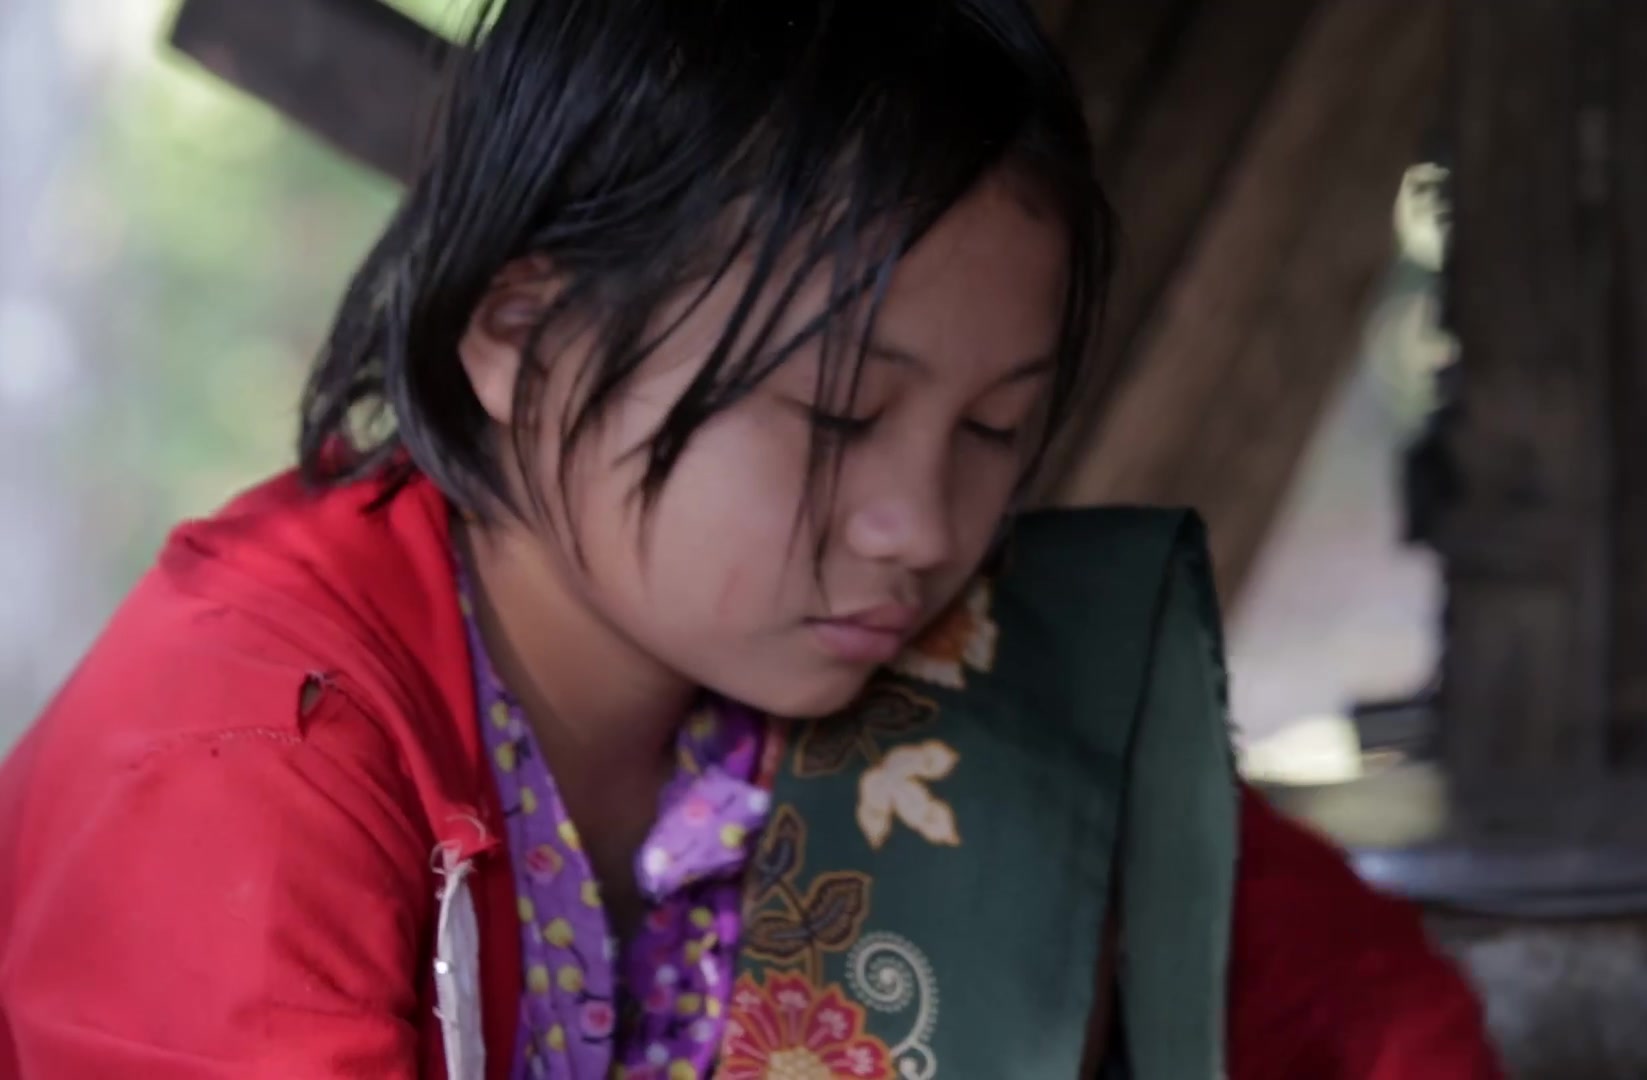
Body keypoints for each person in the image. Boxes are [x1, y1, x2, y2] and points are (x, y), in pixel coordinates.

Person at [0, 1, 1498, 1077]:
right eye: (839, 420)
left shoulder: (919, 667)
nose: (923, 528)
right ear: (522, 338)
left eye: (993, 430)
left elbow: (1366, 1010)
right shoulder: (247, 768)